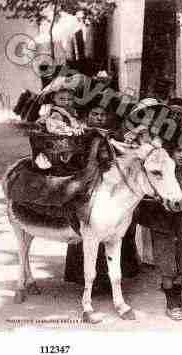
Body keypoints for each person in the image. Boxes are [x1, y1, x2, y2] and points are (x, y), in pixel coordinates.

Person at [63, 92, 140, 289]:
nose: (98, 118)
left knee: (120, 221)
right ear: (87, 116)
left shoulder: (112, 134)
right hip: (87, 180)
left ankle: (116, 274)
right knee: (87, 222)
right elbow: (73, 157)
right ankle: (86, 278)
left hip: (109, 180)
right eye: (95, 114)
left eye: (102, 115)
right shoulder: (81, 133)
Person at [134, 129, 182, 321]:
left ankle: (179, 300)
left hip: (178, 224)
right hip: (162, 224)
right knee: (167, 265)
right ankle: (171, 303)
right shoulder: (162, 171)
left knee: (181, 262)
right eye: (178, 151)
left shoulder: (181, 171)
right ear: (170, 151)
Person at [34, 75, 86, 171]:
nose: (66, 102)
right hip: (59, 142)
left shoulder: (70, 112)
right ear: (53, 98)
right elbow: (55, 128)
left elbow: (75, 122)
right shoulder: (56, 113)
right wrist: (71, 130)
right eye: (62, 99)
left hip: (69, 142)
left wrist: (79, 126)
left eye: (69, 99)